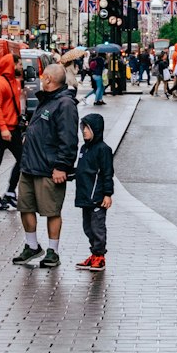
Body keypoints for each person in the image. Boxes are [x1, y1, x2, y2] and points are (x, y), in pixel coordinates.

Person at [12, 62, 79, 269]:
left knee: (51, 211)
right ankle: (32, 246)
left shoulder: (65, 104)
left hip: (49, 168)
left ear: (49, 79)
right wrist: (26, 135)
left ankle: (53, 251)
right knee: (25, 207)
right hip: (30, 165)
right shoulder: (46, 100)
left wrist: (62, 166)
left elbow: (68, 139)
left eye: (44, 76)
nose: (41, 78)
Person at [73, 112, 114, 271]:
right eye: (83, 128)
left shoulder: (103, 149)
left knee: (97, 227)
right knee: (87, 227)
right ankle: (94, 253)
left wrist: (107, 194)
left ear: (96, 130)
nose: (84, 131)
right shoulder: (84, 148)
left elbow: (107, 173)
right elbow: (83, 170)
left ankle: (100, 256)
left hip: (96, 197)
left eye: (88, 128)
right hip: (85, 197)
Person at [0, 54, 24, 210]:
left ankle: (9, 192)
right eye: (19, 64)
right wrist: (3, 128)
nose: (21, 67)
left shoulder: (15, 82)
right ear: (12, 65)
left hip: (12, 129)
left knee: (23, 159)